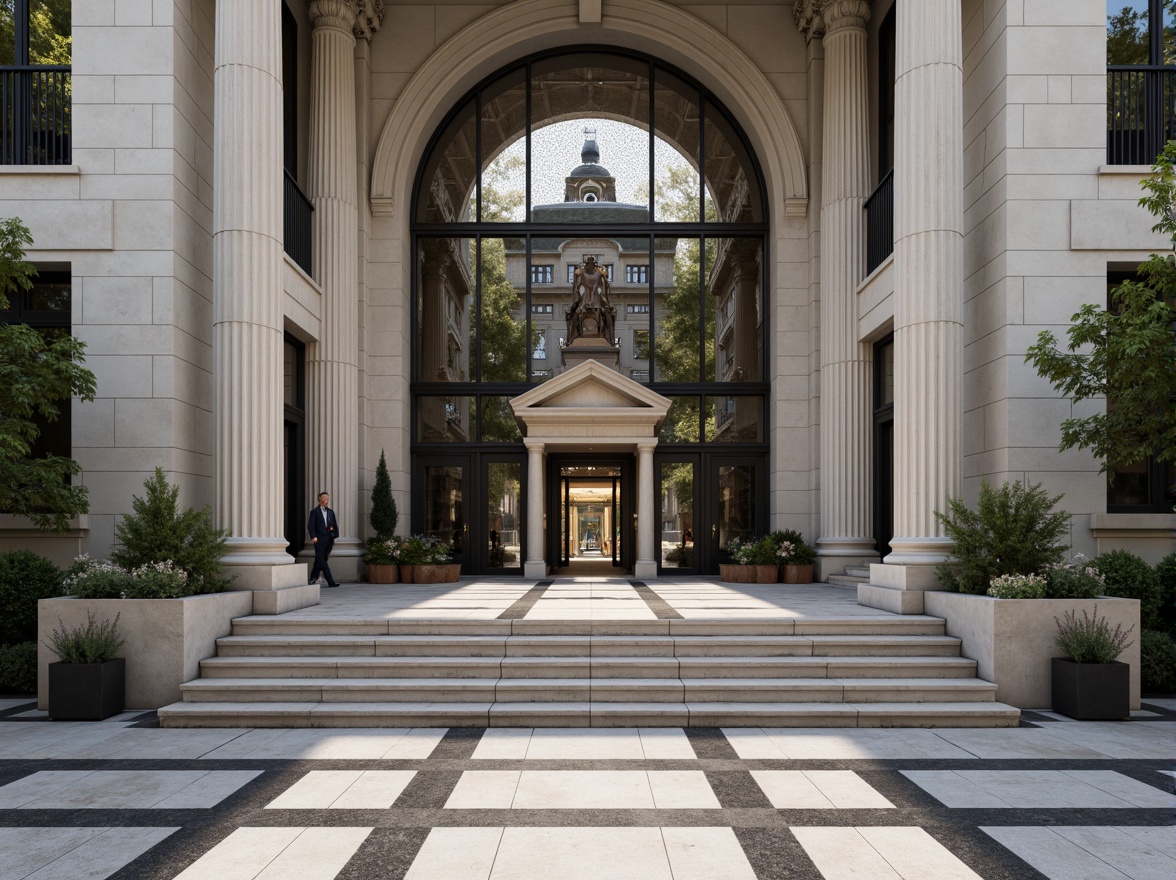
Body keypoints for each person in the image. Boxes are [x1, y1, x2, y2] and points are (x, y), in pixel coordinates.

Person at [307, 491, 340, 588]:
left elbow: (333, 525)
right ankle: (331, 582)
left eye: (327, 498)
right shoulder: (314, 512)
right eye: (324, 498)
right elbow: (311, 525)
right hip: (319, 539)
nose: (326, 500)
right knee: (322, 560)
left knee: (321, 559)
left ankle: (313, 578)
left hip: (329, 539)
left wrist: (334, 535)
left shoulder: (330, 512)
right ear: (320, 500)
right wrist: (313, 536)